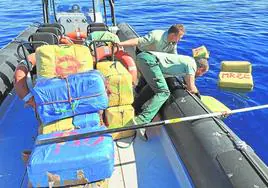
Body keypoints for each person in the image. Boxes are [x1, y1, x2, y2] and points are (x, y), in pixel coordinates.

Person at [129, 46, 209, 139]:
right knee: (164, 92)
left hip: (143, 57)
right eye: (202, 73)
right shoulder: (192, 66)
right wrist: (198, 96)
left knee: (153, 87)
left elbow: (185, 80)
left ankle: (135, 107)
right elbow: (191, 87)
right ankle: (141, 120)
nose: (200, 75)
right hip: (150, 61)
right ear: (201, 69)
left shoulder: (187, 60)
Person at [118, 24, 185, 54]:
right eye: (180, 37)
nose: (180, 40)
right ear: (173, 35)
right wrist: (120, 44)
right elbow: (138, 41)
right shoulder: (155, 35)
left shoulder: (173, 42)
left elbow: (173, 55)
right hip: (143, 53)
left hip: (156, 56)